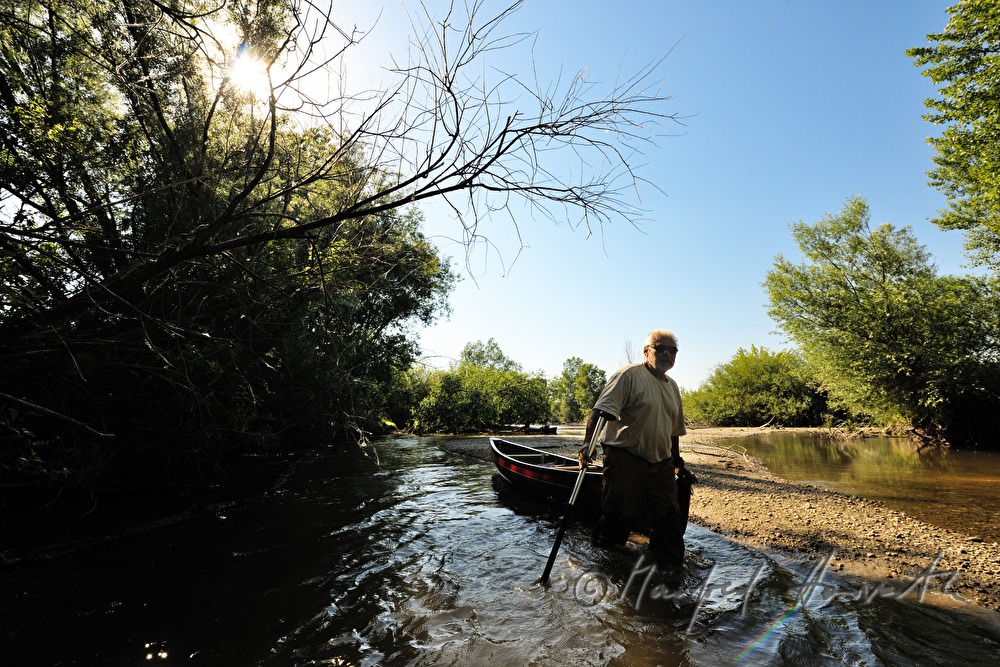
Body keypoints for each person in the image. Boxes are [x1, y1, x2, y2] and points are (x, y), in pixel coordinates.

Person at [578, 329, 689, 574]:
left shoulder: (673, 387)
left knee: (669, 519)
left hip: (661, 464)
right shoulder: (628, 375)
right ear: (647, 351)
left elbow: (673, 430)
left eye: (673, 350)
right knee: (619, 516)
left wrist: (677, 459)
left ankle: (670, 572)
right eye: (661, 348)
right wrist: (587, 445)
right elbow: (600, 412)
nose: (667, 354)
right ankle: (605, 567)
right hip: (625, 459)